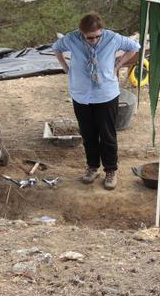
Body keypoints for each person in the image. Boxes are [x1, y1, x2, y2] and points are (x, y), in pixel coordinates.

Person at [53, 13, 140, 189]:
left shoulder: (112, 38)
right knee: (88, 134)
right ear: (81, 33)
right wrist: (65, 66)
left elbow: (135, 46)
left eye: (97, 36)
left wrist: (118, 64)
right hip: (81, 94)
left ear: (102, 31)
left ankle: (110, 170)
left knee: (107, 134)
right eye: (89, 37)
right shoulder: (72, 39)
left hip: (106, 94)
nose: (93, 40)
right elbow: (56, 47)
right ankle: (92, 167)